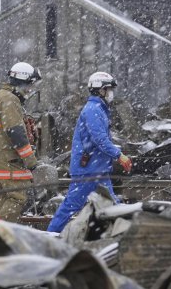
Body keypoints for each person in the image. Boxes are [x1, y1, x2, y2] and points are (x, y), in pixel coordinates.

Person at [47, 71, 133, 233]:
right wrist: (119, 155)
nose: (111, 93)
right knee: (72, 205)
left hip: (97, 169)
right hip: (88, 171)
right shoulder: (93, 110)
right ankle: (50, 234)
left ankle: (121, 234)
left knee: (112, 205)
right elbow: (100, 139)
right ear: (100, 90)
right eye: (108, 89)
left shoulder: (99, 109)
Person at [0, 62, 42, 222]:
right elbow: (16, 133)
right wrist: (31, 161)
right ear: (22, 82)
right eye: (29, 85)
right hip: (8, 162)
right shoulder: (10, 100)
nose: (30, 90)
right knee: (17, 198)